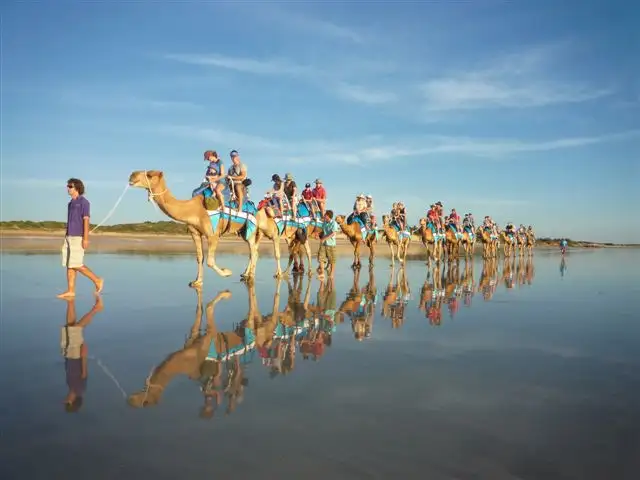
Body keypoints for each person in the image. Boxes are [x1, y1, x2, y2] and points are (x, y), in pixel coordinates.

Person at [58, 178, 104, 298]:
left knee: (77, 264)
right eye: (67, 186)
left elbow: (86, 220)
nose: (68, 188)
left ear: (77, 188)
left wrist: (85, 238)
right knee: (69, 265)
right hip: (68, 236)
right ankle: (71, 290)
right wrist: (66, 235)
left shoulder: (84, 202)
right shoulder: (70, 203)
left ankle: (97, 280)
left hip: (78, 237)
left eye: (70, 186)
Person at [60, 295, 103, 413]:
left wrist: (65, 355)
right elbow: (84, 373)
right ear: (73, 401)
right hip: (76, 355)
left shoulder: (70, 387)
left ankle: (70, 301)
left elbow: (68, 369)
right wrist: (84, 354)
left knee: (70, 327)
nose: (65, 400)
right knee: (76, 329)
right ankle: (96, 309)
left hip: (69, 354)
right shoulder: (79, 389)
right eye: (67, 402)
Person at [317, 210, 339, 280]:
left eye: (325, 215)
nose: (324, 216)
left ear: (328, 216)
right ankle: (322, 273)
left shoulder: (334, 223)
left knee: (332, 260)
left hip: (331, 244)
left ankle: (332, 274)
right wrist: (318, 234)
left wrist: (324, 238)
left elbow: (333, 233)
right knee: (321, 258)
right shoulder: (324, 223)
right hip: (323, 244)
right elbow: (323, 231)